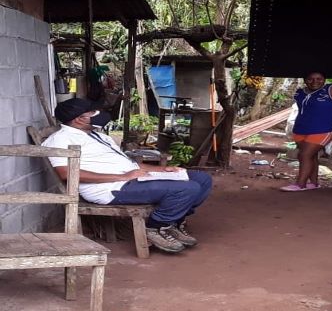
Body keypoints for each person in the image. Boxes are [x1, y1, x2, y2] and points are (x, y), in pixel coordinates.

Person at [42, 98, 212, 254]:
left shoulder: (97, 135)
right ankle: (156, 227)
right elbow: (67, 174)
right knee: (187, 188)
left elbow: (129, 164)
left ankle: (173, 222)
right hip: (111, 188)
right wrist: (122, 177)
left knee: (201, 180)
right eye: (92, 113)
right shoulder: (60, 140)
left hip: (131, 179)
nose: (98, 115)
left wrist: (162, 170)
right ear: (78, 119)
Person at [280, 72, 332, 191]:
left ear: (324, 79)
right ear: (305, 80)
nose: (315, 81)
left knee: (304, 155)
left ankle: (300, 184)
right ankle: (314, 183)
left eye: (319, 79)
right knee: (311, 156)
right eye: (310, 79)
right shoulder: (300, 93)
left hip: (323, 129)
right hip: (301, 129)